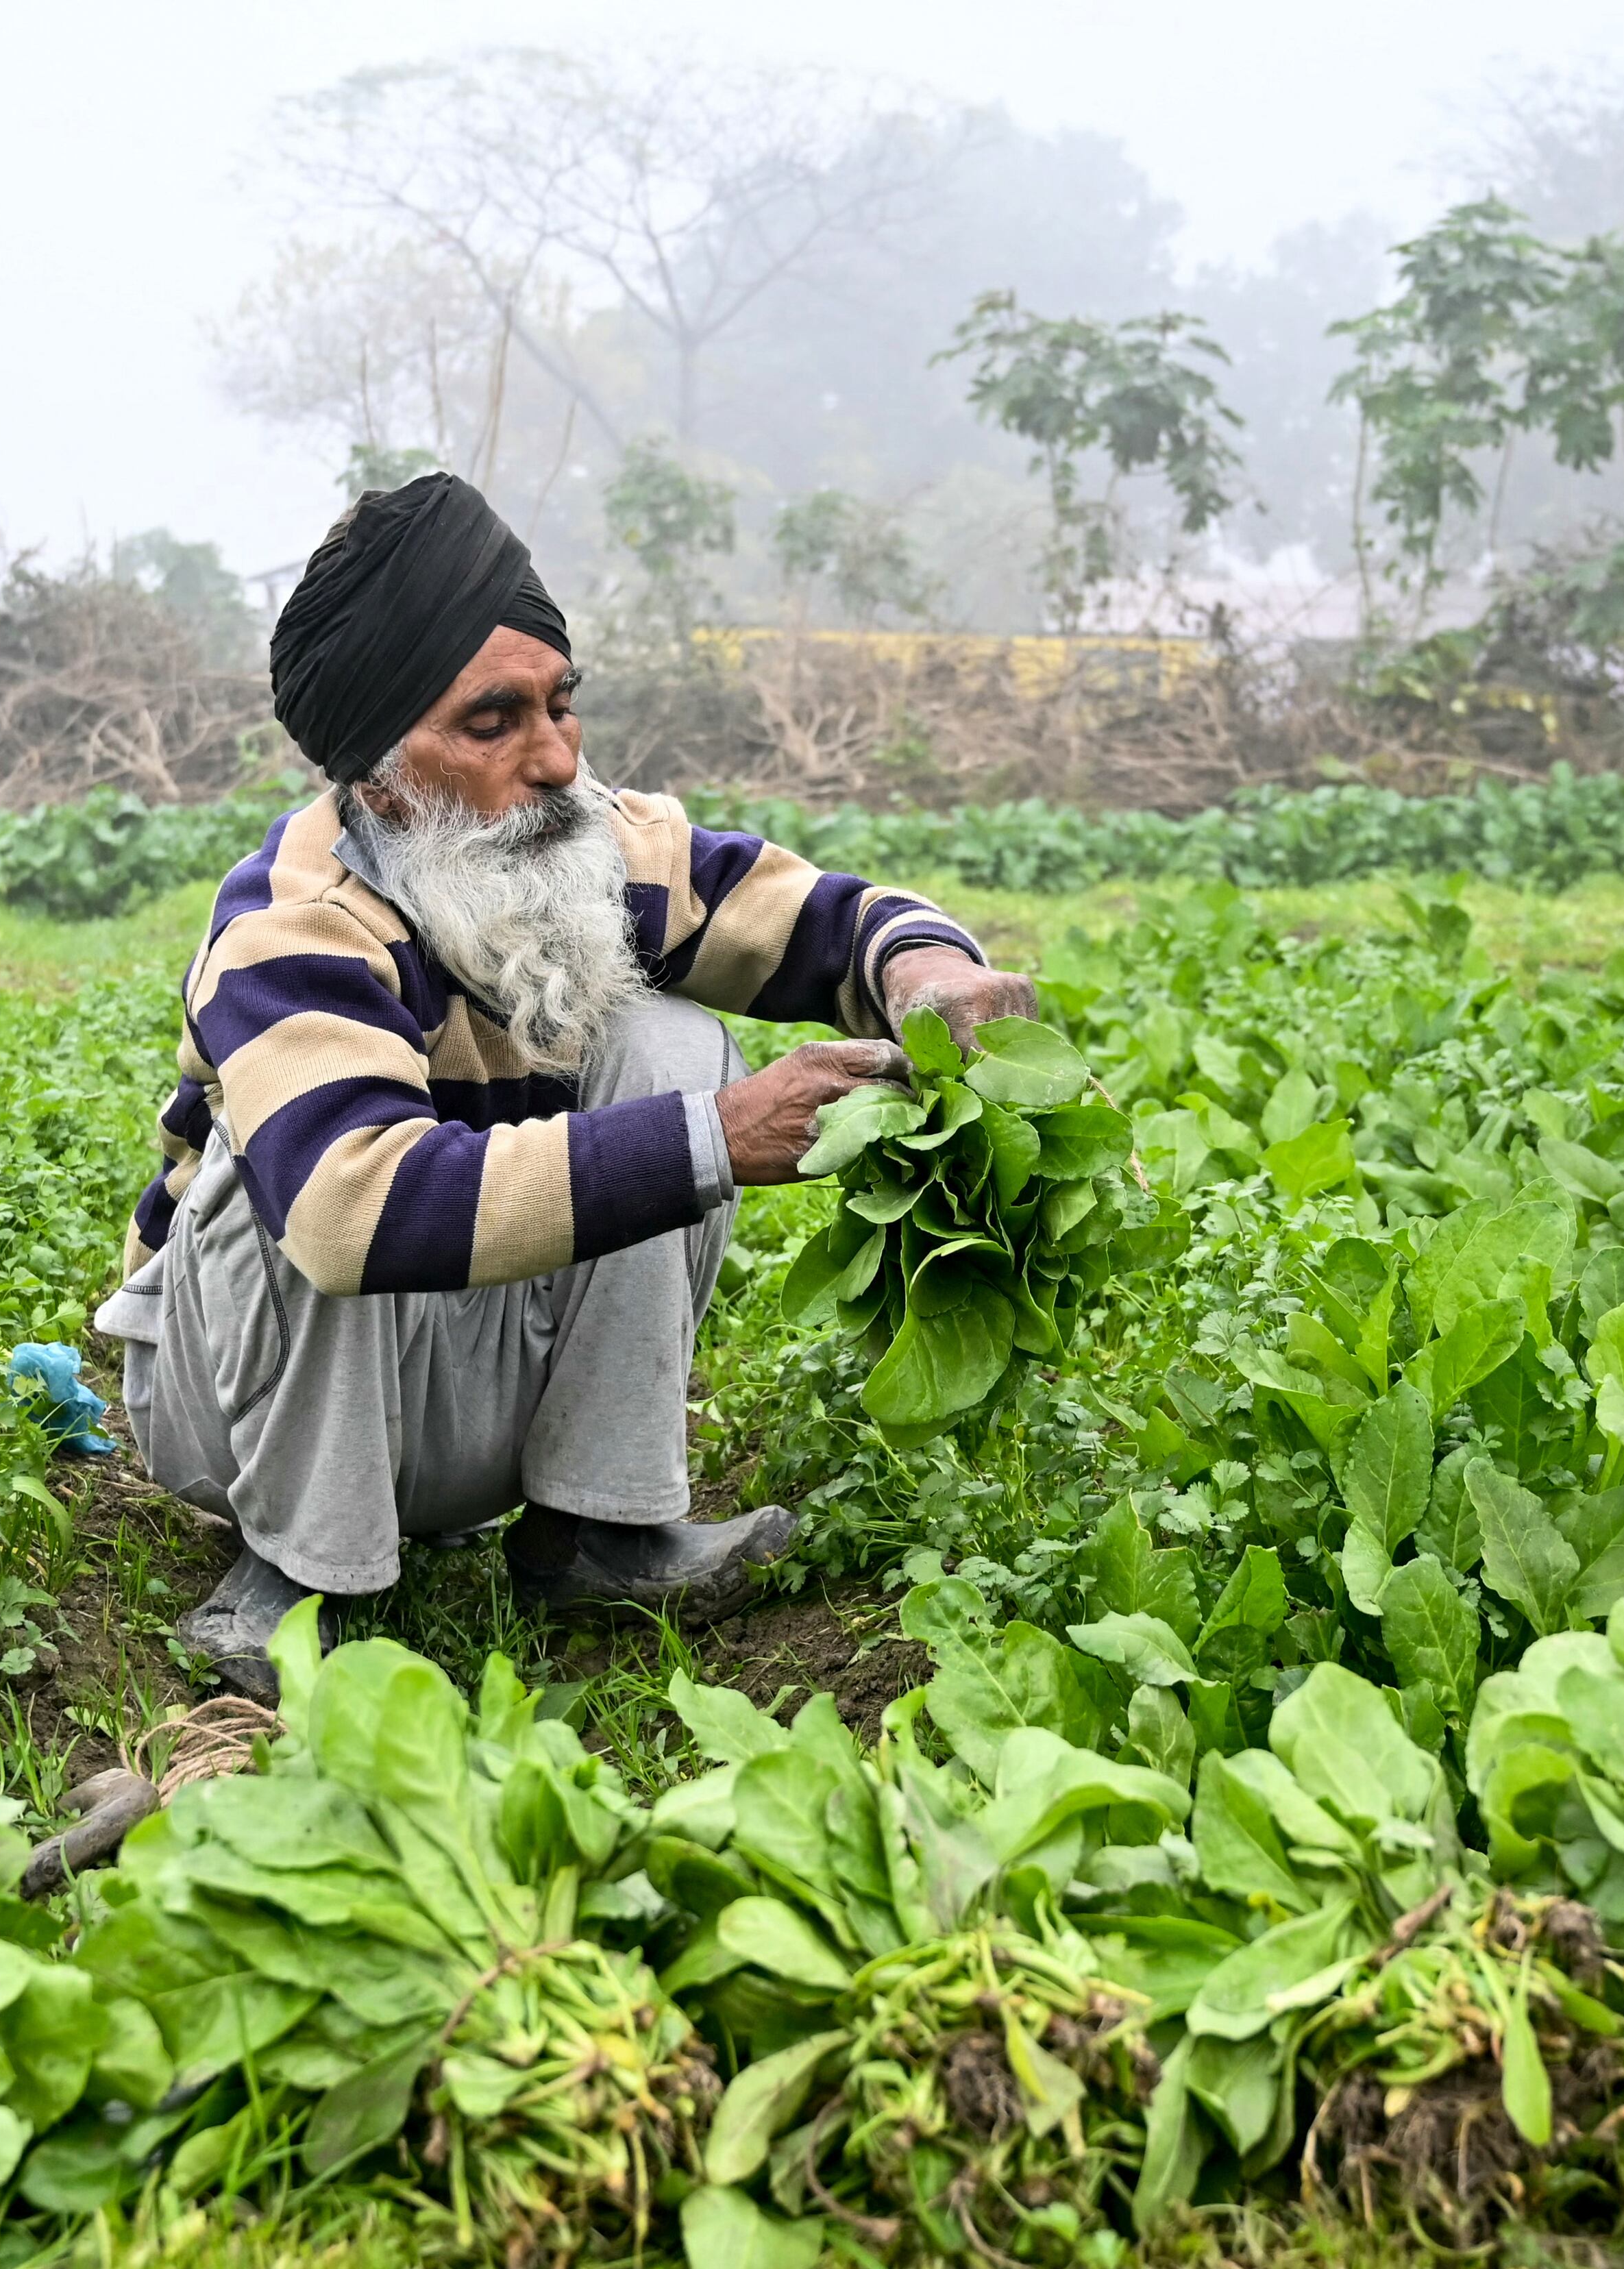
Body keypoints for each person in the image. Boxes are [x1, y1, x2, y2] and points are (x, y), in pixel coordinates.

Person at [92, 472, 1033, 1699]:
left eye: (561, 705)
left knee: (673, 1042)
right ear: (380, 773)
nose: (551, 759)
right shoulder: (296, 924)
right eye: (493, 722)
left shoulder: (579, 836)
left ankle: (597, 1525)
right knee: (309, 1182)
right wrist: (715, 1142)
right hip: (240, 1417)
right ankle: (304, 1575)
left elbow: (808, 916)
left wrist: (926, 970)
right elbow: (353, 1214)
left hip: (450, 1385)